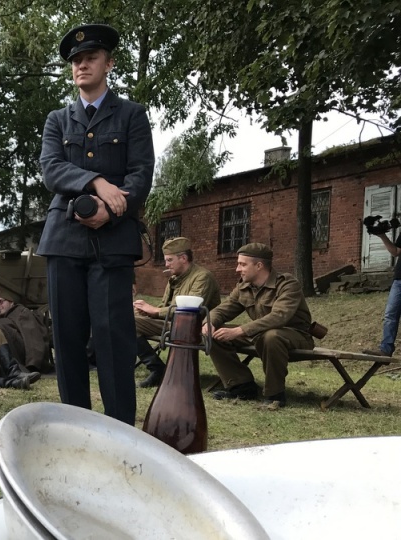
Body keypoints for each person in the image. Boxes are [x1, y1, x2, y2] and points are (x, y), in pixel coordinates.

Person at [37, 24, 154, 425]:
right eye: (75, 60)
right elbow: (51, 170)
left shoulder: (133, 116)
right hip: (64, 241)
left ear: (109, 63)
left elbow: (141, 174)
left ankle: (120, 432)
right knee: (67, 342)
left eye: (90, 58)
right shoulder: (57, 119)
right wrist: (97, 182)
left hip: (114, 240)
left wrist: (113, 209)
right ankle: (75, 432)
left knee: (113, 339)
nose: (81, 65)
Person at [204, 243, 314, 408]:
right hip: (258, 334)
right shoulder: (244, 287)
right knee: (216, 334)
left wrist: (240, 330)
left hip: (295, 335)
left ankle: (275, 395)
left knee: (271, 336)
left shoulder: (287, 284)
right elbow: (222, 310)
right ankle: (242, 387)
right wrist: (210, 323)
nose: (237, 269)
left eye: (242, 264)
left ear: (259, 265)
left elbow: (279, 317)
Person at [132, 237, 221, 387]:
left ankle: (157, 370)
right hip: (172, 323)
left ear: (183, 258)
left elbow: (191, 311)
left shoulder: (202, 277)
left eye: (169, 260)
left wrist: (155, 310)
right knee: (126, 318)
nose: (166, 264)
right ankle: (157, 368)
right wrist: (146, 311)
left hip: (193, 326)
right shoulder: (175, 278)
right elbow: (166, 306)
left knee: (129, 322)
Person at [0, 288, 53, 373]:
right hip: (14, 352)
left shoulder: (21, 312)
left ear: (11, 302)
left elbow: (32, 336)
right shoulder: (5, 318)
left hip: (26, 359)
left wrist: (33, 364)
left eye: (1, 301)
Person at [362, 225, 401, 357]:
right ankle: (385, 350)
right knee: (390, 315)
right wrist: (381, 235)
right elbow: (396, 251)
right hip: (399, 280)